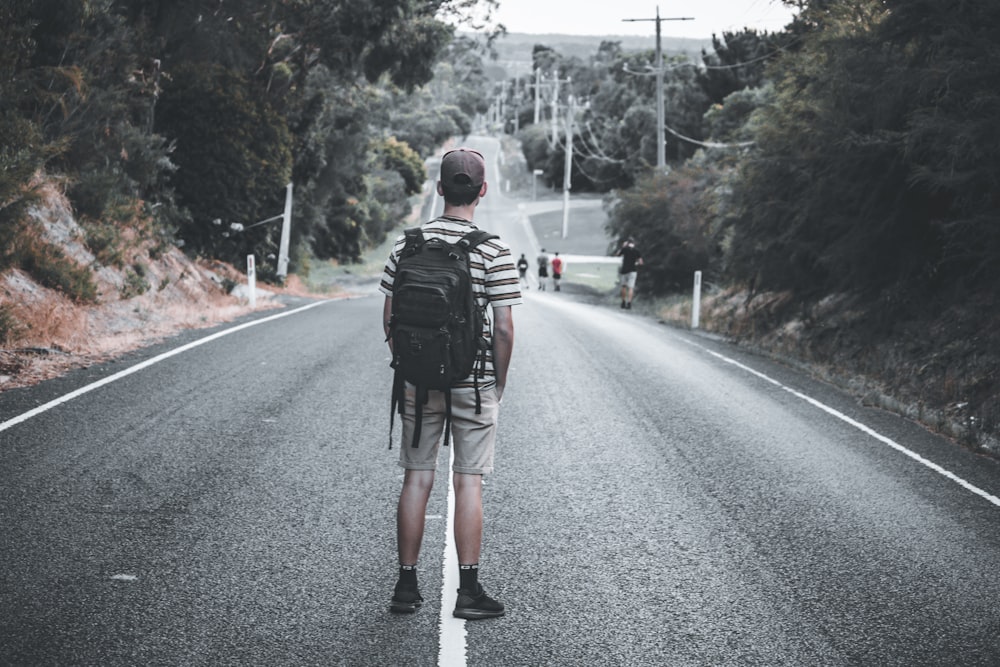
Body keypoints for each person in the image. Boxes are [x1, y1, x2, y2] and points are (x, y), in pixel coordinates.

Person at [380, 147, 521, 620]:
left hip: (417, 381)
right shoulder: (495, 251)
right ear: (482, 190)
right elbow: (503, 328)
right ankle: (468, 590)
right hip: (474, 381)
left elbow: (390, 317)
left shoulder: (407, 245)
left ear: (440, 189)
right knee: (468, 482)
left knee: (417, 477)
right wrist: (496, 384)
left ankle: (405, 586)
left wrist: (409, 365)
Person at [616, 237, 643, 309]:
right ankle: (629, 303)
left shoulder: (625, 249)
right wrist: (636, 262)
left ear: (627, 243)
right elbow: (641, 262)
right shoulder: (637, 251)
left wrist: (623, 247)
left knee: (624, 286)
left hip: (624, 270)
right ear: (634, 243)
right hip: (633, 271)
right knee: (631, 288)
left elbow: (617, 254)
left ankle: (623, 302)